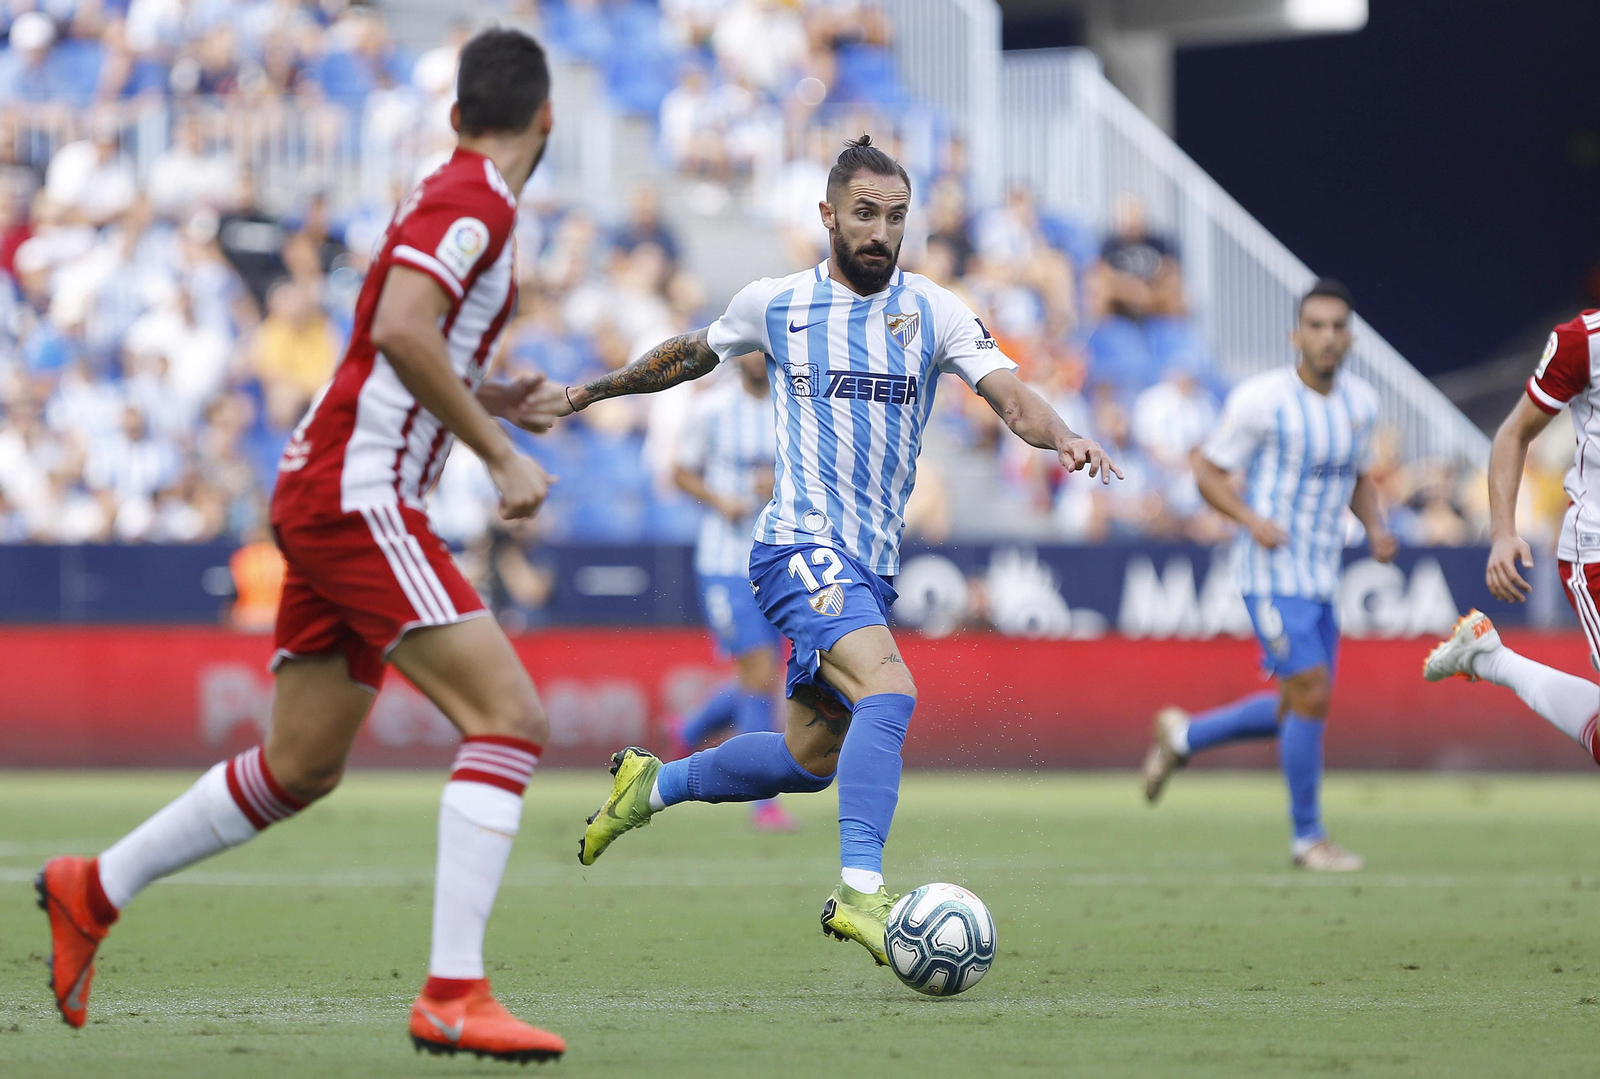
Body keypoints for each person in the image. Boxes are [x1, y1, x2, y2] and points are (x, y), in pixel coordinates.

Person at [35, 29, 570, 1063]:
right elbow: (403, 330)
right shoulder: (479, 203)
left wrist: (493, 394)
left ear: (457, 114)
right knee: (510, 716)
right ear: (546, 117)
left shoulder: (444, 188)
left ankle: (92, 887)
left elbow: (396, 338)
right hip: (358, 493)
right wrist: (498, 450)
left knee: (300, 764)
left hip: (327, 483)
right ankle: (453, 993)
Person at [544, 135, 1121, 967]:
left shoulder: (934, 311)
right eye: (864, 214)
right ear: (827, 215)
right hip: (796, 546)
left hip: (869, 568)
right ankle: (860, 892)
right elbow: (685, 356)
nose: (881, 232)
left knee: (809, 759)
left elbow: (1009, 396)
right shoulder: (777, 304)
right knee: (891, 691)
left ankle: (651, 784)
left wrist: (1061, 434)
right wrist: (588, 391)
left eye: (896, 216)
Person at [1141, 279, 1398, 872]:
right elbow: (1208, 472)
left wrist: (1376, 528)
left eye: (1337, 327)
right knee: (1311, 692)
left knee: (1299, 703)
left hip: (1322, 575)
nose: (1327, 337)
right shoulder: (1261, 401)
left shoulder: (1362, 404)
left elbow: (1358, 476)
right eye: (1316, 326)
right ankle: (1309, 838)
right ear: (1295, 335)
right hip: (1270, 572)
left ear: (1351, 338)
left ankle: (1182, 738)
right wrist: (1250, 520)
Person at [1422, 311, 1600, 768]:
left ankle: (1489, 657)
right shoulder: (1584, 340)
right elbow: (1514, 432)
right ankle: (1493, 661)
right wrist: (1503, 532)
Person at [671, 349, 797, 832]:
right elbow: (679, 472)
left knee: (762, 676)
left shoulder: (793, 405)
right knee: (760, 671)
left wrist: (780, 483)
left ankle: (689, 729)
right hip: (725, 562)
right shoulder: (711, 408)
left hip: (779, 560)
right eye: (748, 347)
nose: (756, 356)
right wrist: (718, 499)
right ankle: (761, 798)